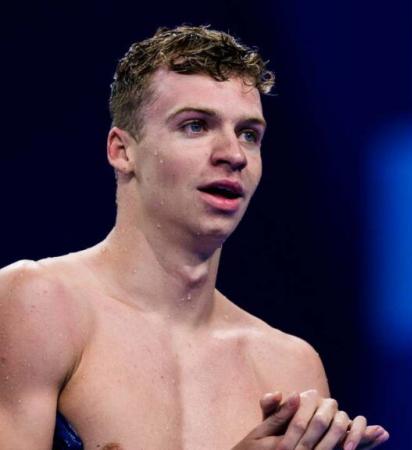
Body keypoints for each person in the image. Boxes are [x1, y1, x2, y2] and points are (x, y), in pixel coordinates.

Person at [0, 25, 389, 450]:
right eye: (196, 126)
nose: (234, 155)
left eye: (249, 134)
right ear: (122, 151)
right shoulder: (38, 304)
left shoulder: (289, 366)